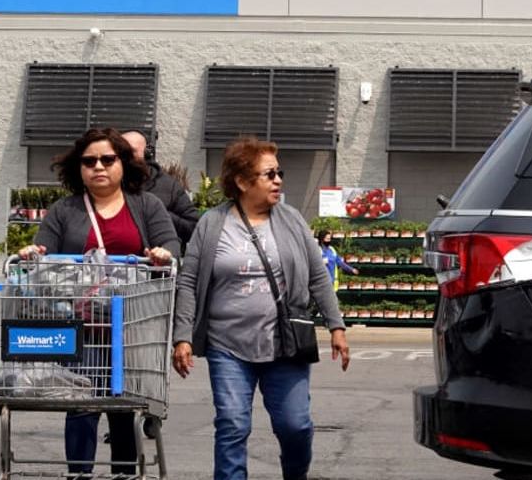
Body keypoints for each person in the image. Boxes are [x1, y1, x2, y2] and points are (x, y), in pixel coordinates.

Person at [171, 136, 350, 480]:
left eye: (279, 173)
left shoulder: (292, 220)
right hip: (227, 345)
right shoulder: (212, 223)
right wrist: (183, 336)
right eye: (269, 174)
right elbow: (189, 281)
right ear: (242, 181)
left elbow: (317, 276)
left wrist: (336, 327)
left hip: (284, 344)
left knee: (295, 426)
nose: (278, 180)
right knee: (232, 425)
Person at [18, 127, 180, 478]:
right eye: (89, 161)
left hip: (133, 326)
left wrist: (162, 254)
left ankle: (123, 472)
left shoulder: (146, 205)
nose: (98, 167)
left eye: (107, 159)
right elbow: (44, 252)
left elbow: (171, 246)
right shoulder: (65, 210)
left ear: (123, 163)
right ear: (79, 168)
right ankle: (79, 473)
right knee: (82, 402)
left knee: (124, 406)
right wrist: (33, 253)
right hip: (84, 325)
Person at [121, 130, 200, 244]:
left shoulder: (169, 186)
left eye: (131, 151)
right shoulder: (107, 184)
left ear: (147, 154)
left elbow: (194, 229)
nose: (124, 157)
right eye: (120, 151)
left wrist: (160, 214)